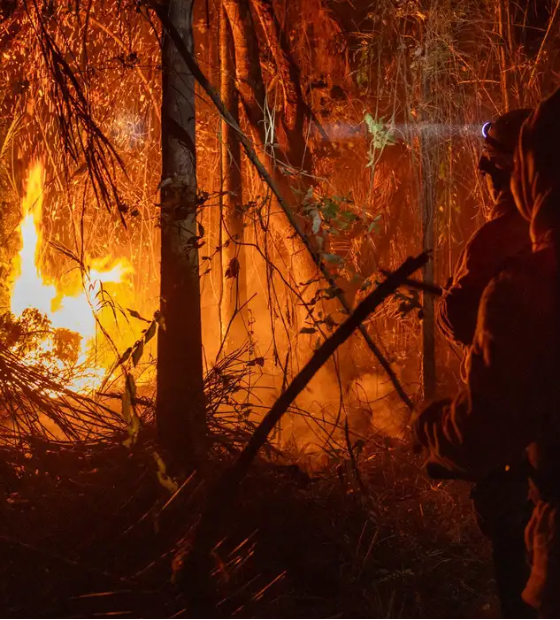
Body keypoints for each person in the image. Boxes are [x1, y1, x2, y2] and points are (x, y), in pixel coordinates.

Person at [414, 87, 560, 619]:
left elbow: (484, 427)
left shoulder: (519, 278)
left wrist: (432, 426)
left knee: (513, 563)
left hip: (530, 486)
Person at [438, 108, 536, 619]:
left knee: (523, 577)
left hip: (523, 462)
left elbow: (462, 319)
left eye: (495, 167)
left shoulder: (501, 241)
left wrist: (438, 432)